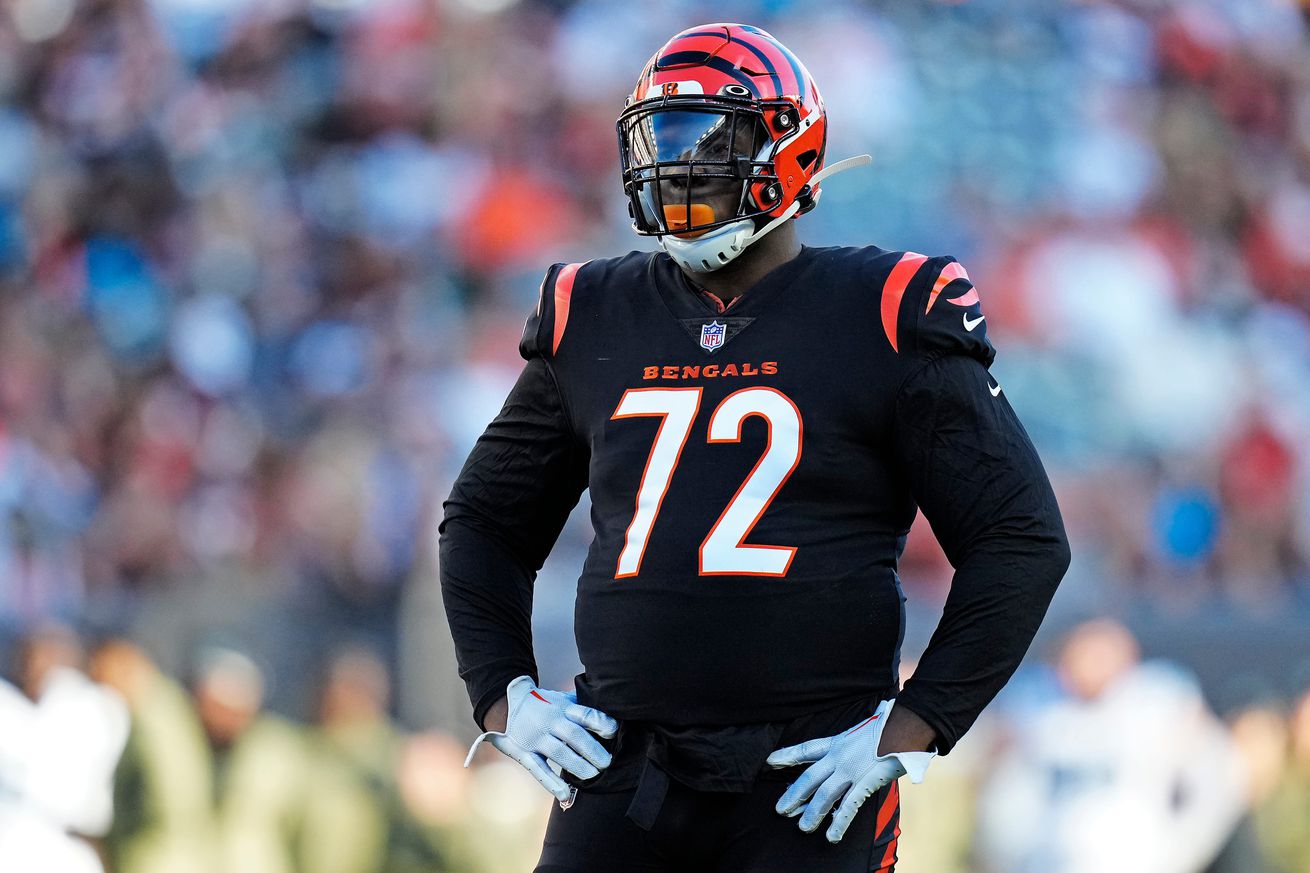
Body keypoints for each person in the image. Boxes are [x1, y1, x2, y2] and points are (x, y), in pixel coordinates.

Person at [440, 22, 1070, 873]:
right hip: (624, 772)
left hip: (810, 775)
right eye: (660, 142)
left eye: (706, 141)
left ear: (789, 151)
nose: (677, 168)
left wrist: (915, 724)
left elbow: (1020, 538)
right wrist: (502, 692)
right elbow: (484, 520)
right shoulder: (590, 308)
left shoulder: (885, 307)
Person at [973, 619, 1245, 873]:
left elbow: (1219, 772)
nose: (1087, 665)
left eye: (1098, 655)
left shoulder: (1160, 699)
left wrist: (1183, 848)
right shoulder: (1034, 702)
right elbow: (1001, 785)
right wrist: (1004, 854)